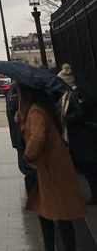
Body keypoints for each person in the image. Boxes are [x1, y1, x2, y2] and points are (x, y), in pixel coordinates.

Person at [19, 81, 86, 251]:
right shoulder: (39, 109)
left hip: (51, 169)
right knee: (49, 211)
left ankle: (60, 247)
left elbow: (38, 136)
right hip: (51, 167)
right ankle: (52, 246)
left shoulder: (35, 111)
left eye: (20, 91)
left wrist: (28, 155)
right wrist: (21, 120)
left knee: (60, 213)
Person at [57, 63, 97, 204]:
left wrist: (65, 118)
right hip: (81, 135)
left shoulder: (75, 95)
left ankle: (95, 194)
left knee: (89, 166)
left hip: (83, 136)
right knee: (88, 166)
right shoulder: (73, 95)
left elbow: (82, 113)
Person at [6, 81, 37, 193]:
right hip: (24, 140)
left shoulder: (14, 93)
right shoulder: (34, 108)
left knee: (28, 169)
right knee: (29, 169)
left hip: (23, 139)